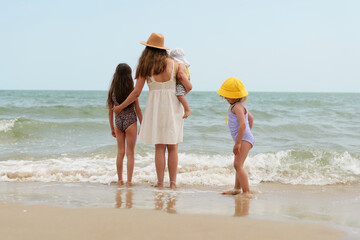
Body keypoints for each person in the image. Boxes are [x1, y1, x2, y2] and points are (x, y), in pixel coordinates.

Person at [113, 33, 192, 189]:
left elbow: (136, 93)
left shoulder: (145, 67)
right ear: (163, 49)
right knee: (173, 146)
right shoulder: (176, 65)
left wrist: (120, 107)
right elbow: (188, 87)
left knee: (159, 147)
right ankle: (173, 183)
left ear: (148, 49)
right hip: (173, 106)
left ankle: (160, 183)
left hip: (155, 108)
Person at [217, 77, 254, 197]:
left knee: (237, 165)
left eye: (228, 95)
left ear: (236, 95)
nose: (226, 98)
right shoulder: (240, 106)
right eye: (225, 95)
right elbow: (251, 119)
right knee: (238, 164)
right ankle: (237, 189)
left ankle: (246, 192)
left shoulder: (237, 107)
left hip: (243, 139)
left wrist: (239, 142)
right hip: (245, 138)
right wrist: (247, 134)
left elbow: (243, 124)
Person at [107, 63, 143, 187]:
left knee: (120, 152)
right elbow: (137, 109)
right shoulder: (132, 90)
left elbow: (110, 112)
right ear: (129, 75)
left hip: (118, 122)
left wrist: (112, 128)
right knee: (130, 153)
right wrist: (142, 125)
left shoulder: (112, 91)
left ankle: (120, 180)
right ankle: (129, 181)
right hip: (130, 121)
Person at [170, 48, 191, 118]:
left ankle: (187, 109)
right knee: (180, 95)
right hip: (182, 82)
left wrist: (179, 74)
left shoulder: (180, 64)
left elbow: (181, 73)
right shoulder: (182, 64)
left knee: (180, 95)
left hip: (180, 83)